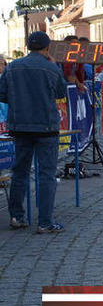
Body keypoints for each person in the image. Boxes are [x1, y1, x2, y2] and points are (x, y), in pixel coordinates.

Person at [0, 32, 67, 233]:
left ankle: (17, 217)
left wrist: (20, 102)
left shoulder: (12, 67)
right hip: (46, 126)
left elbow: (2, 94)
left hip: (20, 126)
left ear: (28, 47)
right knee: (46, 174)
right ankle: (45, 222)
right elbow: (61, 93)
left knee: (19, 172)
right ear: (47, 48)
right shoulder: (51, 67)